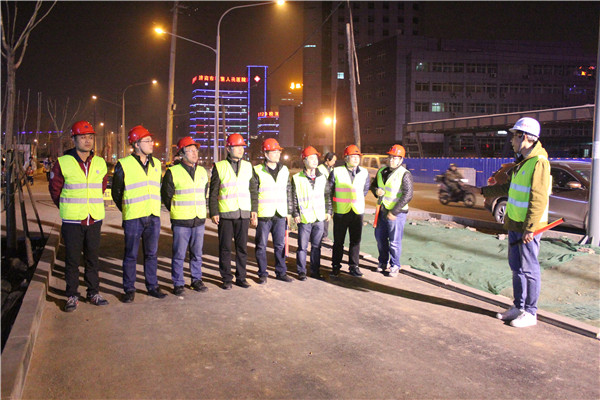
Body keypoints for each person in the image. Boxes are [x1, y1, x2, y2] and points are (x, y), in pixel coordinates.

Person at [481, 117, 551, 328]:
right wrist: (484, 191)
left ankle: (530, 312)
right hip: (514, 223)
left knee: (529, 269)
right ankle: (519, 306)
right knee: (517, 268)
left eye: (515, 136)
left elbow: (539, 198)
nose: (512, 140)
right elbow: (509, 189)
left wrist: (531, 228)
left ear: (526, 137)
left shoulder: (539, 162)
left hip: (528, 227)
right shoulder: (523, 162)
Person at [49, 120, 109, 312]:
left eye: (90, 137)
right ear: (73, 139)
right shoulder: (63, 163)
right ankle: (72, 295)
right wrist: (68, 207)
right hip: (73, 220)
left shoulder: (100, 162)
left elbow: (101, 187)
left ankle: (93, 292)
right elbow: (55, 190)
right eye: (83, 137)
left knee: (92, 258)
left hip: (94, 218)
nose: (87, 141)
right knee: (72, 260)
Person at [111, 125, 166, 302]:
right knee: (131, 255)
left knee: (152, 254)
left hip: (153, 216)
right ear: (136, 144)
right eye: (147, 140)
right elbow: (116, 192)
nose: (152, 143)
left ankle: (152, 286)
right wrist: (127, 209)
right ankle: (129, 289)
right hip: (133, 218)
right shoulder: (123, 164)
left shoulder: (156, 164)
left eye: (151, 140)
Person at [161, 136, 209, 295]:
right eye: (190, 150)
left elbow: (204, 192)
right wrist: (176, 209)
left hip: (198, 219)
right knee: (179, 254)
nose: (195, 153)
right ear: (181, 153)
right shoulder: (172, 172)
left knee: (197, 254)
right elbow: (167, 196)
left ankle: (196, 280)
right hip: (181, 220)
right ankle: (178, 283)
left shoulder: (202, 171)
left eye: (196, 150)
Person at [209, 133, 257, 290]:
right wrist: (214, 212)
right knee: (225, 248)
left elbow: (253, 190)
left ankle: (241, 277)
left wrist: (254, 210)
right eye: (237, 147)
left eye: (242, 147)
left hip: (243, 213)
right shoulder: (219, 166)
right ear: (229, 149)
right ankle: (226, 278)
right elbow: (213, 191)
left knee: (242, 248)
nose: (241, 150)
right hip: (226, 214)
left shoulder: (248, 166)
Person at [250, 138, 292, 284]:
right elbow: (253, 193)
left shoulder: (284, 170)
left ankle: (281, 272)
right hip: (264, 214)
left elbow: (288, 191)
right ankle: (262, 273)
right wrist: (253, 213)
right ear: (266, 154)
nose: (277, 154)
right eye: (274, 152)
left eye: (278, 151)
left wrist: (289, 212)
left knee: (280, 245)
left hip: (280, 213)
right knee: (261, 245)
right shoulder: (257, 170)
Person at [370, 145, 413, 277]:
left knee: (394, 242)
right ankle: (383, 262)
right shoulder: (381, 171)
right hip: (382, 210)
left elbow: (408, 195)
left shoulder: (405, 174)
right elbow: (373, 185)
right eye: (390, 157)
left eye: (395, 158)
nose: (391, 160)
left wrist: (394, 211)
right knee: (380, 238)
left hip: (396, 214)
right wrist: (376, 191)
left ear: (401, 160)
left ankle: (395, 265)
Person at [290, 146, 332, 280]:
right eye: (311, 158)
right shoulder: (297, 178)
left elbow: (327, 196)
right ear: (304, 160)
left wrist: (328, 211)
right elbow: (293, 197)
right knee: (302, 247)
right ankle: (301, 271)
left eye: (316, 158)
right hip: (304, 217)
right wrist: (295, 214)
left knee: (316, 247)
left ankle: (315, 271)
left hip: (319, 217)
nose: (315, 161)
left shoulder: (322, 177)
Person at [328, 144, 370, 277]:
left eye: (358, 156)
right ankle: (336, 266)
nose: (356, 159)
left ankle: (354, 266)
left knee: (355, 241)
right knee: (338, 242)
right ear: (346, 158)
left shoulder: (364, 172)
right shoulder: (336, 171)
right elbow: (329, 191)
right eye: (353, 156)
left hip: (357, 212)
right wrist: (330, 210)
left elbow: (365, 190)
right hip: (341, 212)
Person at [317, 152, 337, 245]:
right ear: (327, 160)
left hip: (329, 195)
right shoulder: (319, 169)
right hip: (322, 195)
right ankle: (323, 235)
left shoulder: (332, 169)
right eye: (333, 160)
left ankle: (324, 234)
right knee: (323, 215)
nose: (334, 162)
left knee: (327, 215)